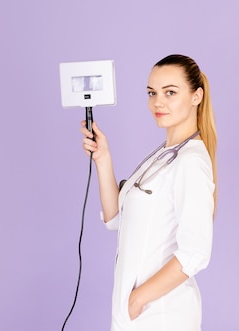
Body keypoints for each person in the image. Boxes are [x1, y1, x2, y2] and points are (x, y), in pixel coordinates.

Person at [80, 54, 217, 330]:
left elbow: (195, 252)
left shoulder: (190, 162)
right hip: (133, 317)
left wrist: (138, 299)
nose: (158, 102)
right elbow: (115, 219)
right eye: (152, 93)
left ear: (196, 96)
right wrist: (103, 158)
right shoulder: (162, 156)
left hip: (162, 316)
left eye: (170, 92)